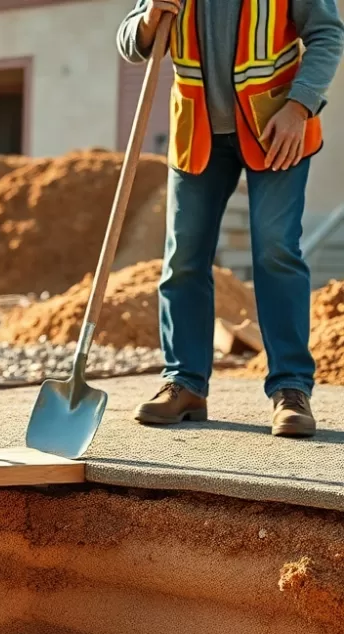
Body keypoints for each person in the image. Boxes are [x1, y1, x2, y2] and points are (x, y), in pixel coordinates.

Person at [118, 0, 344, 437]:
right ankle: (184, 383)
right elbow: (131, 42)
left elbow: (327, 33)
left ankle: (290, 388)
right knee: (182, 258)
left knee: (276, 249)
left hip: (277, 127)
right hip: (198, 131)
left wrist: (300, 106)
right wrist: (147, 21)